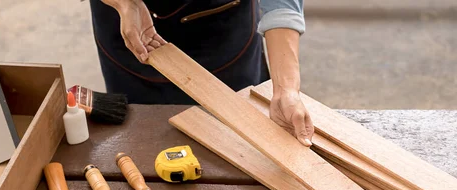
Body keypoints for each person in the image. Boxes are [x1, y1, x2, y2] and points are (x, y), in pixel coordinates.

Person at [90, 0, 314, 146]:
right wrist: (125, 4)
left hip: (223, 28)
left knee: (237, 143)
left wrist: (286, 88)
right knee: (142, 139)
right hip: (130, 25)